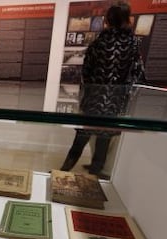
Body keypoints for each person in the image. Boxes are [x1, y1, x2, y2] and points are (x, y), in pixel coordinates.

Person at [60, 2, 145, 178]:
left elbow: (86, 72)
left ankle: (63, 171)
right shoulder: (133, 43)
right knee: (104, 139)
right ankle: (94, 175)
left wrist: (88, 95)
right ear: (127, 19)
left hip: (94, 101)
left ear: (108, 20)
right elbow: (138, 74)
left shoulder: (99, 42)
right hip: (115, 102)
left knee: (82, 136)